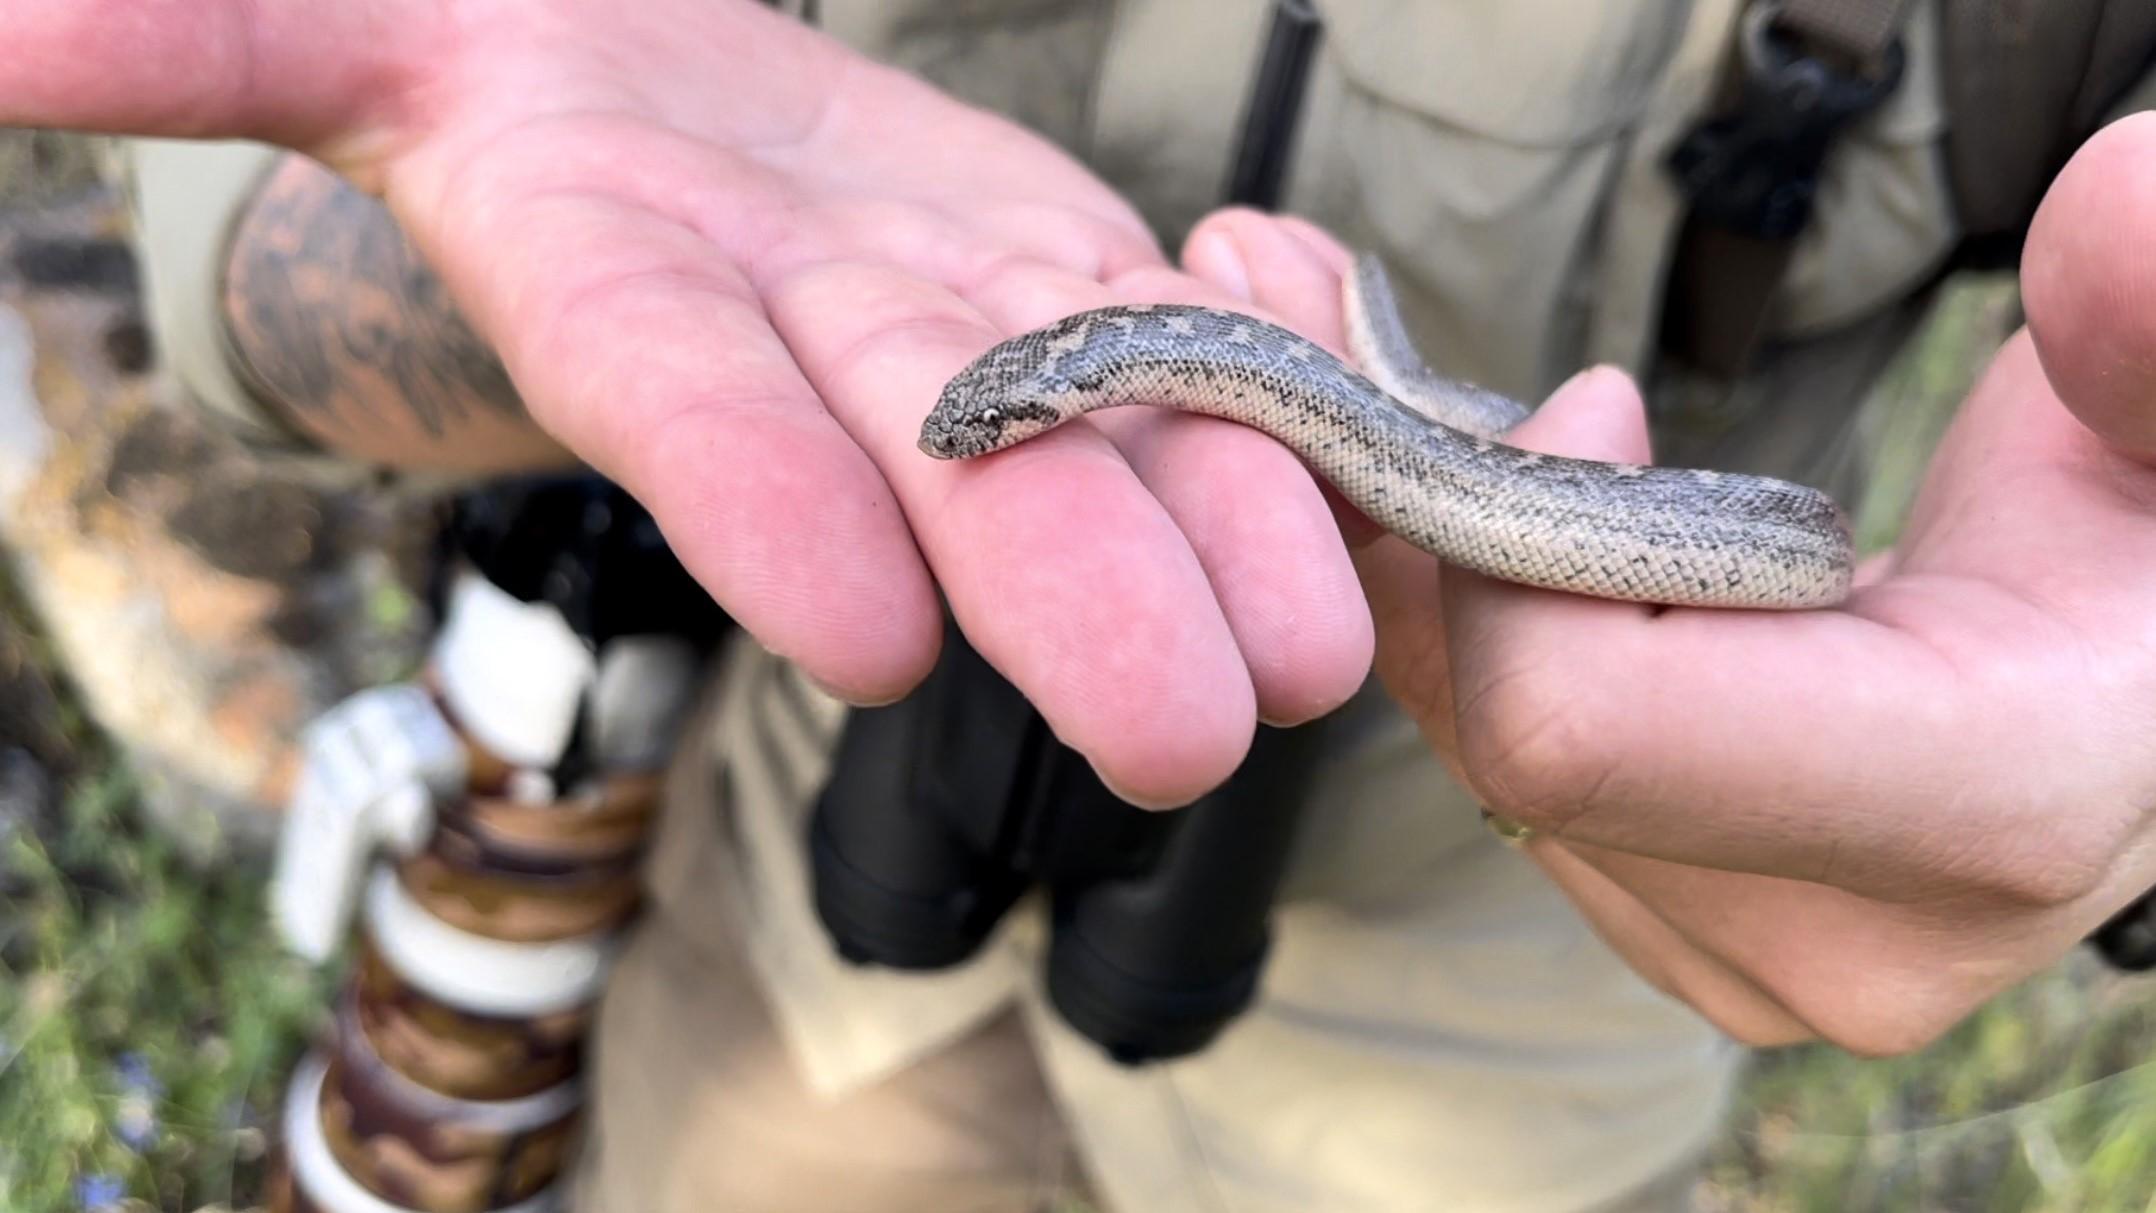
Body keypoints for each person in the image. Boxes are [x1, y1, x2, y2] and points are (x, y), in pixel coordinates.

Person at [8, 0, 2156, 1208]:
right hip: (810, 931)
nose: (997, 423)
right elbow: (264, 192)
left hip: (1482, 1065)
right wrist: (488, 212)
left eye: (1007, 411)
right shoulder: (1074, 384)